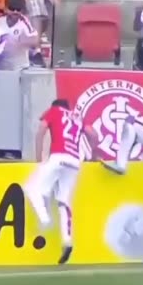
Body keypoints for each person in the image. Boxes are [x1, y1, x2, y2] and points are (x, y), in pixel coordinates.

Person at [24, 99, 97, 265]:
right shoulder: (78, 117)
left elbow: (41, 131)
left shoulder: (54, 111)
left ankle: (44, 219)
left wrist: (39, 158)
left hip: (58, 156)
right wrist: (92, 156)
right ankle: (67, 240)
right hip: (74, 161)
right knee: (64, 201)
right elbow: (93, 135)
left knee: (31, 188)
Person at [0, 0, 39, 71]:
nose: (15, 11)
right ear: (5, 8)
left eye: (18, 9)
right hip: (0, 68)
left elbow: (35, 41)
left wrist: (24, 41)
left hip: (20, 68)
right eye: (12, 8)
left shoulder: (25, 22)